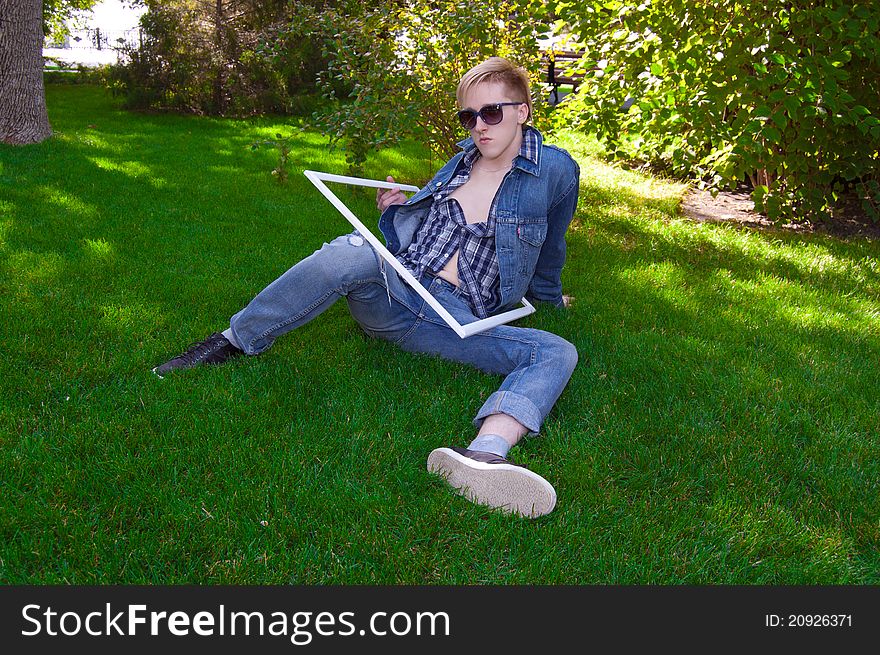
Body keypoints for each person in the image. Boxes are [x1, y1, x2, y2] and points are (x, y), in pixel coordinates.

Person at [154, 57, 580, 518]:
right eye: (468, 116)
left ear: (524, 111)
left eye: (491, 113)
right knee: (352, 248)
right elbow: (419, 237)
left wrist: (549, 297)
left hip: (455, 321)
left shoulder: (555, 172)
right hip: (398, 295)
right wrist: (397, 210)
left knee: (557, 352)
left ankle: (484, 457)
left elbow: (550, 243)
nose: (479, 126)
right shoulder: (460, 163)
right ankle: (233, 341)